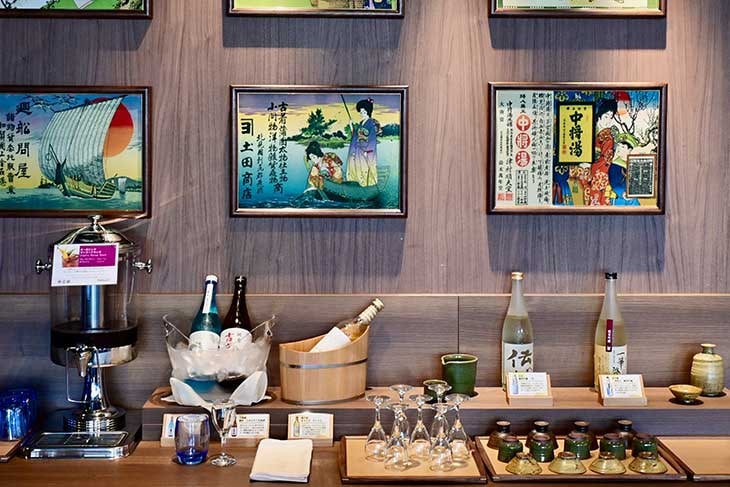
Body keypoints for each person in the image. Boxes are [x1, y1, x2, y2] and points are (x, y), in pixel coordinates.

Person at [587, 98, 618, 206]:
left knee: (597, 199)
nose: (608, 120)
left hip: (599, 173)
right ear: (599, 115)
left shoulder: (608, 138)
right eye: (606, 116)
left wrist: (591, 168)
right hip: (591, 168)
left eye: (611, 117)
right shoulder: (592, 130)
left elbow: (606, 160)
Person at [346, 98, 380, 187]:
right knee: (356, 165)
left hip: (365, 151)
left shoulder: (371, 124)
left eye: (364, 112)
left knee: (364, 168)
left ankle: (366, 185)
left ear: (368, 112)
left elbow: (372, 140)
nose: (362, 114)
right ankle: (356, 183)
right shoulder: (361, 123)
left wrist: (367, 151)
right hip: (358, 150)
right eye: (361, 112)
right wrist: (351, 126)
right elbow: (356, 136)